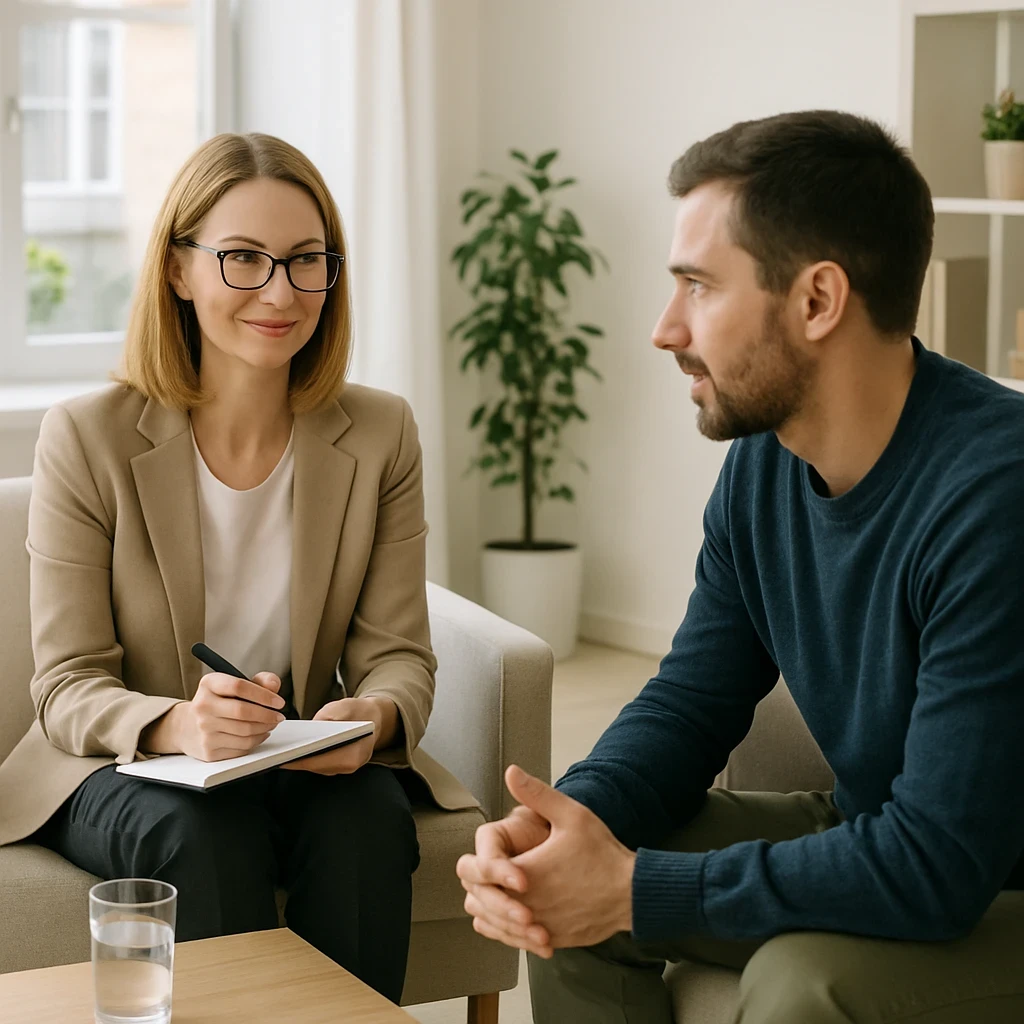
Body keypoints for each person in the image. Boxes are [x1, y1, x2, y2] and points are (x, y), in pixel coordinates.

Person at [456, 110, 1024, 1023]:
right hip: (883, 827)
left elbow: (939, 862)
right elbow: (692, 700)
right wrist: (569, 822)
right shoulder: (765, 462)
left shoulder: (997, 495)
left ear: (816, 301)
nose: (664, 328)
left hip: (986, 875)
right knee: (561, 892)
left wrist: (636, 889)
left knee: (802, 987)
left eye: (697, 287)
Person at [0, 132, 477, 1003]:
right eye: (243, 259)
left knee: (369, 819)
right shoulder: (87, 435)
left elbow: (400, 654)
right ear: (179, 270)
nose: (280, 292)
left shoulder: (379, 433)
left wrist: (371, 715)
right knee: (199, 827)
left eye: (306, 262)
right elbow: (66, 685)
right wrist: (180, 725)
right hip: (121, 767)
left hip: (291, 750)